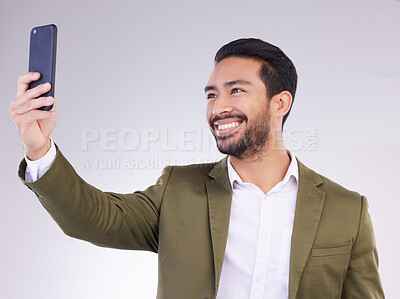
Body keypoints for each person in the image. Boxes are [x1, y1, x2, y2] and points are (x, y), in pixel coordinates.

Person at [10, 38, 384, 299]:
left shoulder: (346, 210)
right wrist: (39, 147)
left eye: (236, 90)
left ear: (279, 103)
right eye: (211, 94)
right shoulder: (179, 190)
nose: (218, 107)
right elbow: (94, 218)